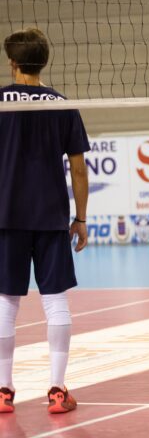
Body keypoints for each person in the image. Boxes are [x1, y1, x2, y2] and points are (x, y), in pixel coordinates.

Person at [0, 28, 89, 413]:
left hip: (6, 216)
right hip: (51, 215)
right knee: (56, 302)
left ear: (12, 63)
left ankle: (3, 391)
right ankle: (56, 390)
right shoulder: (61, 103)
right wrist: (81, 218)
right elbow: (79, 169)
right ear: (43, 61)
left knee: (6, 303)